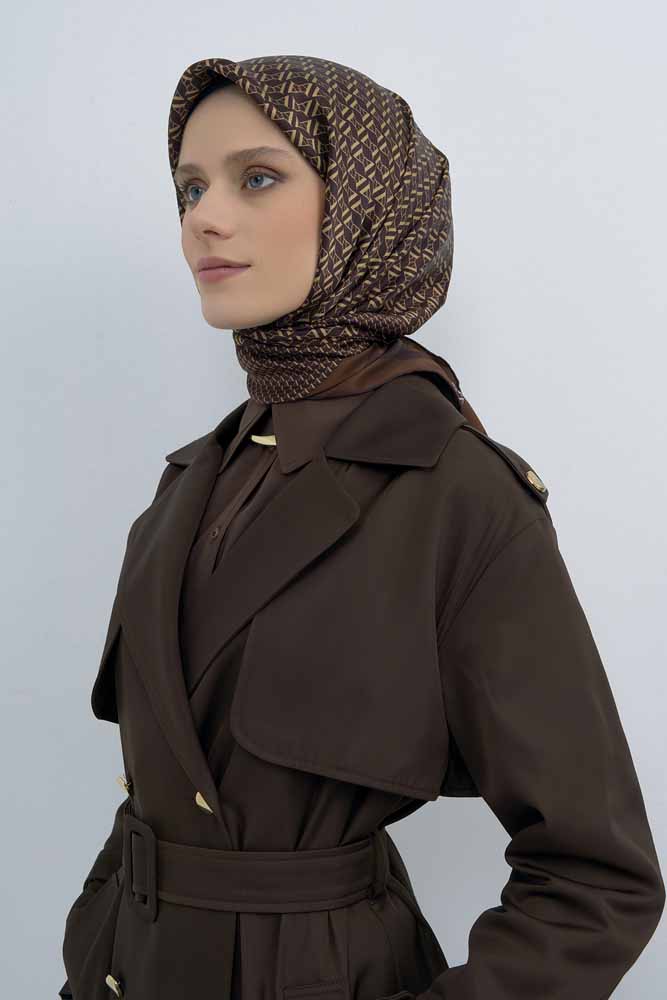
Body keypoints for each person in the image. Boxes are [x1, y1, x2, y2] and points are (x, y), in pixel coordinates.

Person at [58, 55, 664, 1000]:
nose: (203, 219)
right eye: (190, 188)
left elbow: (597, 881)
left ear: (364, 209)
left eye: (258, 178)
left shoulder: (454, 491)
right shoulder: (189, 481)